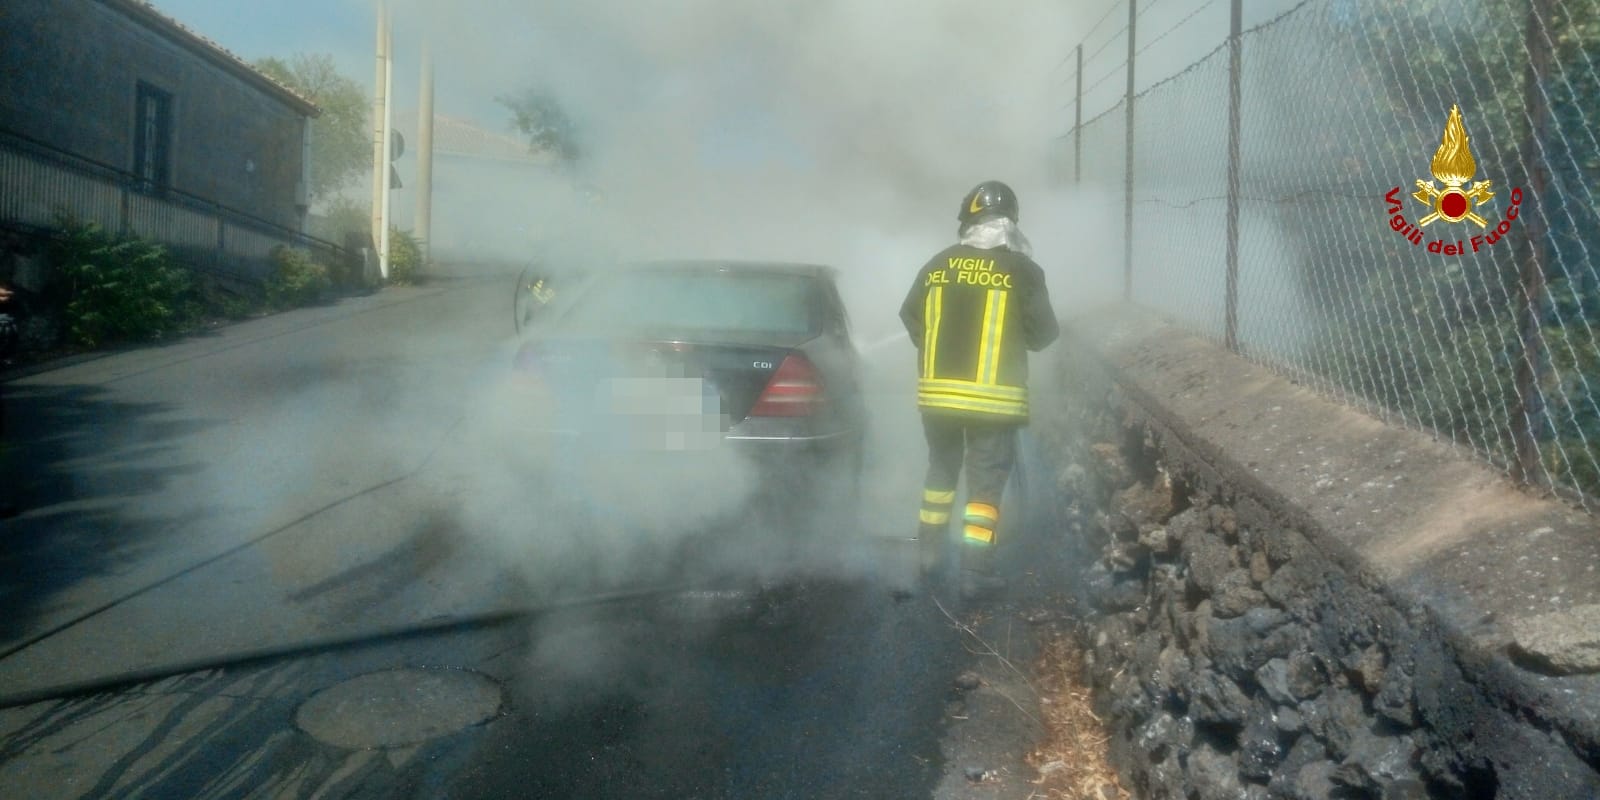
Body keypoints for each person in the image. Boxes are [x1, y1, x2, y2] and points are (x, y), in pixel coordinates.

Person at [899, 180, 1059, 601]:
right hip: (993, 402)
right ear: (1011, 224)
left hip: (937, 399)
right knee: (984, 488)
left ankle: (928, 558)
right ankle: (975, 571)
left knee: (940, 475)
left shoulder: (936, 265)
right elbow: (1044, 334)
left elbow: (909, 315)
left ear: (967, 223)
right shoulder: (1022, 270)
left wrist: (937, 352)